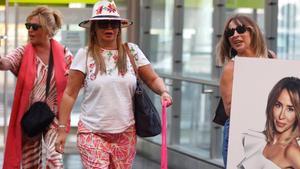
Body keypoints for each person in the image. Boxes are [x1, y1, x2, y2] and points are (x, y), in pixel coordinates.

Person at [54, 0, 172, 168]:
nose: (109, 27)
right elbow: (69, 94)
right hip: (92, 132)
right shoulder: (84, 54)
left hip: (126, 133)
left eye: (113, 23)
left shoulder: (132, 51)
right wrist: (62, 129)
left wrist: (163, 92)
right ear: (94, 28)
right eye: (103, 23)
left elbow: (152, 79)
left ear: (119, 27)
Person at [0, 6, 73, 168]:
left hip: (54, 117)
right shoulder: (22, 52)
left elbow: (75, 82)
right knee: (30, 164)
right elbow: (5, 63)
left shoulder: (65, 54)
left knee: (55, 161)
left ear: (48, 30)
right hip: (30, 118)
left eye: (35, 27)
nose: (30, 30)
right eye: (28, 26)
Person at [215, 14, 276, 168]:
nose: (235, 35)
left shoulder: (270, 57)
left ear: (252, 31)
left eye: (240, 29)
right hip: (240, 131)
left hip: (268, 130)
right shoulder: (231, 68)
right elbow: (230, 110)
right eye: (230, 33)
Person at [237, 77, 300, 169]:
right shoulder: (261, 140)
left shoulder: (291, 152)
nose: (281, 116)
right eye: (278, 105)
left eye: (290, 109)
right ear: (271, 105)